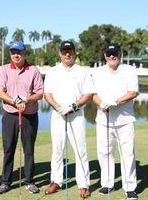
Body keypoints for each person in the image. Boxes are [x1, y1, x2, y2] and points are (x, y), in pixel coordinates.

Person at [44, 41, 94, 198]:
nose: (67, 54)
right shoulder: (53, 71)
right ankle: (56, 181)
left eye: (70, 51)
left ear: (75, 52)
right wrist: (58, 107)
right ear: (60, 53)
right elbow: (47, 94)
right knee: (57, 150)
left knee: (80, 150)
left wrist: (73, 106)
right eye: (64, 51)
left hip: (76, 114)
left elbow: (88, 95)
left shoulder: (82, 71)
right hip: (58, 115)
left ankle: (83, 184)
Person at [0, 40, 44, 194]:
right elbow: (0, 91)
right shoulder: (4, 69)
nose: (16, 55)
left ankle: (30, 181)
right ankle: (5, 182)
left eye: (19, 52)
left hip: (29, 116)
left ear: (25, 54)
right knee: (8, 149)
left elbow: (40, 93)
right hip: (10, 115)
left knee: (28, 150)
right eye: (13, 52)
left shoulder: (33, 70)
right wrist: (14, 100)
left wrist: (26, 99)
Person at [92, 44, 139, 200]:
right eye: (109, 54)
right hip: (103, 120)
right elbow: (92, 94)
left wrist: (116, 101)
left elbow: (133, 92)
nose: (112, 57)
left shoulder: (129, 70)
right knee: (105, 153)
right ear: (105, 56)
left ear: (120, 54)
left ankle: (130, 187)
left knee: (127, 154)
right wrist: (101, 103)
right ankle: (107, 184)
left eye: (115, 54)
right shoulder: (97, 72)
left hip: (125, 120)